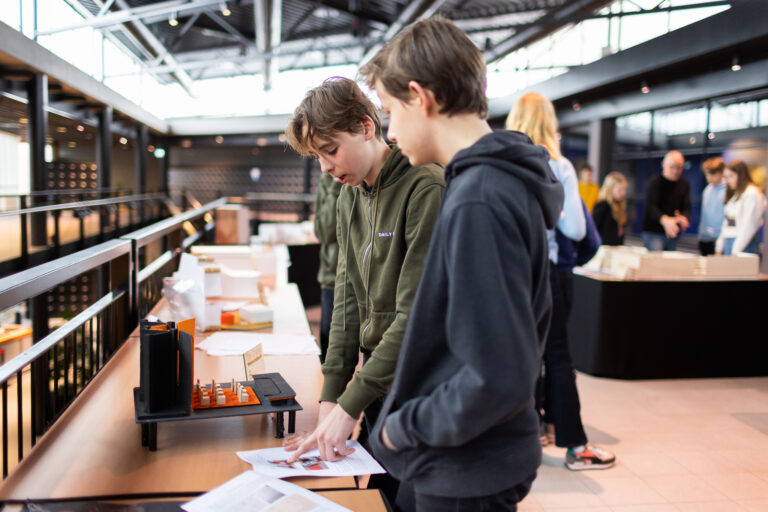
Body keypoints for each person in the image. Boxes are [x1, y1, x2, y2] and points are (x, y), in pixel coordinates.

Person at [359, 17, 564, 511]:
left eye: (389, 111)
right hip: (467, 456)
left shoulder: (481, 197)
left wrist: (400, 426)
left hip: (467, 464)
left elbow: (498, 374)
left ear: (420, 97)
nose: (390, 132)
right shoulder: (491, 184)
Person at [282, 77, 444, 506]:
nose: (325, 168)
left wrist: (350, 403)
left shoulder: (425, 186)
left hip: (418, 382)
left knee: (405, 498)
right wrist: (331, 395)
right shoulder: (348, 195)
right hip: (378, 379)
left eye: (330, 150)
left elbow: (415, 318)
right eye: (317, 156)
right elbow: (347, 298)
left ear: (366, 127)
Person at [508, 92, 615, 472]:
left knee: (526, 354)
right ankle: (575, 445)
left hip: (514, 273)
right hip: (551, 272)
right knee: (558, 357)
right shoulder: (559, 165)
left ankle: (534, 428)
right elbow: (573, 226)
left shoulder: (504, 163)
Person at [313, 172, 342, 362]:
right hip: (332, 277)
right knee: (330, 350)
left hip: (363, 279)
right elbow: (323, 231)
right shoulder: (328, 179)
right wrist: (335, 186)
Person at [641, 150, 691, 251]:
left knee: (669, 264)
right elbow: (650, 207)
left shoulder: (684, 184)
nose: (675, 171)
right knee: (656, 262)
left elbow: (686, 207)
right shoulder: (655, 182)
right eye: (672, 167)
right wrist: (664, 220)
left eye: (679, 167)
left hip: (672, 233)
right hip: (653, 232)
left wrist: (683, 218)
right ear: (663, 165)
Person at [716, 160, 766, 255]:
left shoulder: (752, 193)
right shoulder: (735, 194)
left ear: (741, 175)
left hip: (744, 244)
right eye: (726, 177)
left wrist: (736, 250)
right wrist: (719, 247)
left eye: (731, 176)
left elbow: (749, 225)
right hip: (730, 242)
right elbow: (726, 223)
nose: (728, 181)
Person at [698, 157, 726, 256]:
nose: (709, 177)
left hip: (719, 239)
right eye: (707, 174)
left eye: (713, 174)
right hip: (704, 238)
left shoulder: (727, 190)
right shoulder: (707, 190)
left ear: (721, 172)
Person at [592, 172, 628, 246]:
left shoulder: (619, 206)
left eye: (624, 189)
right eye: (620, 189)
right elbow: (593, 230)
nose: (623, 193)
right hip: (603, 250)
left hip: (615, 249)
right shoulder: (602, 205)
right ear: (610, 189)